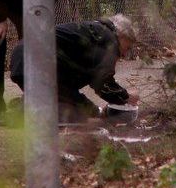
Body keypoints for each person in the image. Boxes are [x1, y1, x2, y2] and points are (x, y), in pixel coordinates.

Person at [10, 14, 140, 123]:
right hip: (34, 63)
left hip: (25, 61)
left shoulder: (96, 32)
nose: (124, 54)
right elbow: (102, 82)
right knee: (72, 116)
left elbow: (68, 91)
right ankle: (18, 113)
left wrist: (97, 111)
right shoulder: (108, 39)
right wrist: (126, 97)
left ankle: (26, 106)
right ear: (121, 35)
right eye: (127, 48)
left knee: (73, 110)